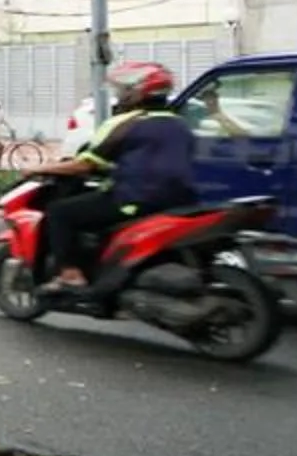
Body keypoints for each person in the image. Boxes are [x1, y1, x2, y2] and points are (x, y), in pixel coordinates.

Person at [35, 62, 196, 287]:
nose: (120, 96)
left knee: (60, 212)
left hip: (135, 200)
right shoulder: (180, 124)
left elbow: (84, 165)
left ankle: (70, 273)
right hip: (179, 201)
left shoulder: (123, 123)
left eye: (123, 90)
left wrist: (41, 168)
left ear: (137, 92)